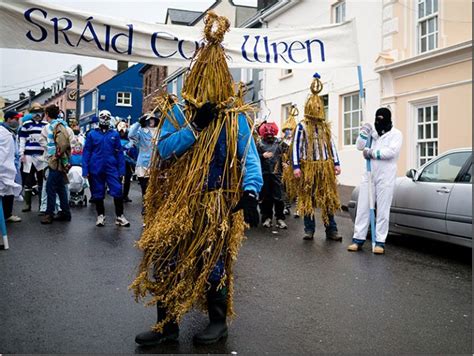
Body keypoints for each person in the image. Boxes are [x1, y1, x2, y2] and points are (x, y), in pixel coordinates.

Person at [132, 12, 262, 347]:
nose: (206, 88)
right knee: (166, 257)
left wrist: (250, 192)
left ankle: (218, 322)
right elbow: (163, 150)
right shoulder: (177, 113)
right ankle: (167, 325)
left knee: (213, 260)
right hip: (177, 203)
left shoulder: (234, 120)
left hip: (215, 201)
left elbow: (249, 158)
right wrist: (194, 128)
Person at [290, 74, 343, 241]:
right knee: (308, 198)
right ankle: (309, 229)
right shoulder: (302, 127)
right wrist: (296, 167)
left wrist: (336, 163)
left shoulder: (324, 127)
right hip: (308, 167)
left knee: (328, 198)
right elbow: (296, 148)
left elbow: (331, 145)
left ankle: (331, 229)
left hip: (325, 167)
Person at [348, 107, 403, 254]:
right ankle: (358, 239)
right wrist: (364, 132)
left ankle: (380, 242)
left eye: (382, 119)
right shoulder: (372, 134)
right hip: (369, 174)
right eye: (376, 119)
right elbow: (359, 146)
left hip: (386, 175)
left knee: (383, 209)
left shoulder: (396, 134)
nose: (378, 122)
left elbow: (391, 152)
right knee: (363, 206)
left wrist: (372, 153)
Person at [82, 110, 129, 227]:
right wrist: (85, 170)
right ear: (99, 119)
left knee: (117, 190)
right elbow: (86, 152)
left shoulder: (114, 134)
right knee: (98, 192)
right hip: (96, 167)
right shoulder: (92, 134)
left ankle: (119, 216)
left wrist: (122, 170)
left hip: (111, 167)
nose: (105, 119)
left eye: (107, 117)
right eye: (103, 117)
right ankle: (100, 216)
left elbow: (119, 153)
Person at [39, 105, 73, 224]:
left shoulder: (55, 127)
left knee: (50, 187)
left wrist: (55, 156)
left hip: (56, 161)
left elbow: (62, 145)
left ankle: (49, 214)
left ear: (47, 114)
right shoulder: (62, 126)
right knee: (60, 188)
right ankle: (65, 212)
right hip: (60, 161)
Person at [257, 122, 287, 229]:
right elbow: (253, 157)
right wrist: (262, 156)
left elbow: (288, 153)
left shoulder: (279, 143)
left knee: (278, 197)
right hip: (264, 174)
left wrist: (286, 162)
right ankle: (266, 218)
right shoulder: (259, 144)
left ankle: (280, 218)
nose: (269, 136)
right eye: (267, 134)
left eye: (271, 134)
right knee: (266, 198)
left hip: (276, 174)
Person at [19, 102, 48, 212]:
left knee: (42, 181)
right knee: (28, 180)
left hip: (41, 156)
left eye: (39, 112)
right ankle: (27, 204)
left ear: (42, 113)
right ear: (31, 113)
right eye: (35, 112)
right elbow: (22, 140)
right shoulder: (26, 124)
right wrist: (21, 154)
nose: (37, 114)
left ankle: (42, 205)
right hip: (29, 156)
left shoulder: (46, 125)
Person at [128, 113, 158, 209]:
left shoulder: (159, 131)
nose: (151, 121)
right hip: (143, 164)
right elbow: (131, 134)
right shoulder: (141, 131)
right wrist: (138, 122)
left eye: (153, 119)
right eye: (149, 119)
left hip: (156, 163)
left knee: (154, 187)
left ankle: (152, 206)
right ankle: (146, 207)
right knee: (145, 187)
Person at [0, 111, 23, 223]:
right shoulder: (2, 132)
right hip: (4, 166)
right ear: (8, 119)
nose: (18, 121)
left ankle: (7, 214)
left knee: (9, 190)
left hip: (12, 164)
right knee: (3, 189)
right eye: (16, 119)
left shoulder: (12, 131)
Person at [117, 121, 137, 203]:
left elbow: (133, 151)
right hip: (118, 162)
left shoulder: (129, 140)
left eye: (123, 131)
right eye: (120, 131)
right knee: (118, 178)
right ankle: (118, 194)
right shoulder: (115, 139)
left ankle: (125, 195)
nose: (122, 132)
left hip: (127, 162)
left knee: (127, 178)